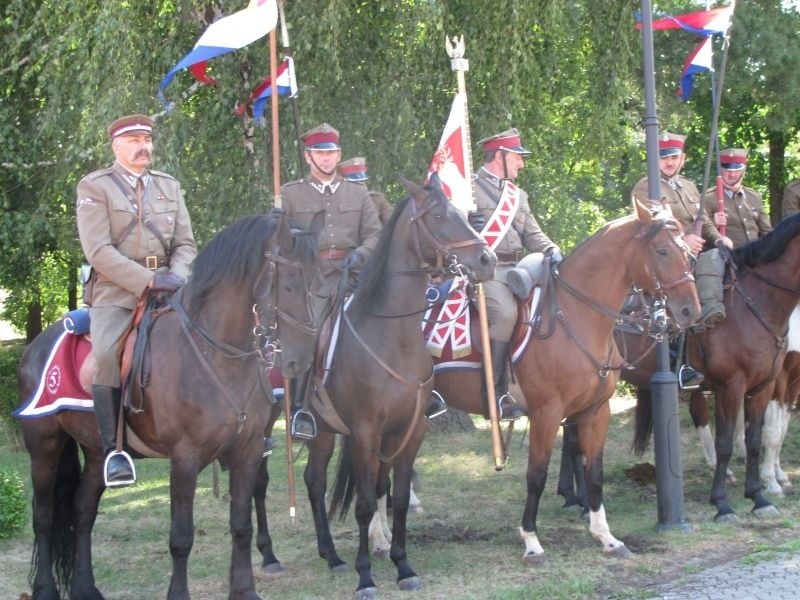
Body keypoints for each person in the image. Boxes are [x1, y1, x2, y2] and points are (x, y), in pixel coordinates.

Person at [76, 114, 197, 486]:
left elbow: (186, 244)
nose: (143, 146)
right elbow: (97, 251)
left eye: (146, 138)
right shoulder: (95, 187)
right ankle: (114, 450)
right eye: (133, 140)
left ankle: (225, 430)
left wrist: (177, 276)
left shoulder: (169, 185)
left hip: (173, 288)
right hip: (118, 291)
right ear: (116, 146)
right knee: (109, 355)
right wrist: (147, 280)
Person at [280, 123, 381, 439]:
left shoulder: (358, 192)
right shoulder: (290, 193)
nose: (327, 158)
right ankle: (300, 409)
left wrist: (361, 255)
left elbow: (376, 234)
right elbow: (281, 238)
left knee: (397, 317)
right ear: (308, 156)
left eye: (332, 152)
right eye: (321, 153)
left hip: (356, 274)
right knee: (308, 333)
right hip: (314, 278)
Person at [471, 128, 562, 421]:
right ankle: (494, 393)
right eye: (517, 157)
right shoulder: (466, 188)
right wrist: (464, 218)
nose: (522, 164)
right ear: (500, 156)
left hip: (519, 269)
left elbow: (532, 234)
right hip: (485, 272)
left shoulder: (517, 195)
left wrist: (552, 250)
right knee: (507, 315)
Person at [631, 132, 713, 389]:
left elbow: (704, 219)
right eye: (663, 157)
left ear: (683, 159)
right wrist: (685, 242)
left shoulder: (688, 185)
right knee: (684, 296)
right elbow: (658, 228)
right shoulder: (647, 187)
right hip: (664, 258)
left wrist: (720, 240)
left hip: (695, 253)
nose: (668, 161)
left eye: (673, 156)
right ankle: (684, 364)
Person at [703, 148, 771, 249]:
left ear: (744, 170)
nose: (732, 174)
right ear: (720, 171)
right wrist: (714, 222)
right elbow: (701, 234)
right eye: (727, 170)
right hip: (728, 258)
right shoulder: (708, 198)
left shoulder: (754, 196)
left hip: (756, 256)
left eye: (737, 170)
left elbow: (767, 231)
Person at [338, 156, 394, 225]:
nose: (361, 184)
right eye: (355, 182)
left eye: (362, 181)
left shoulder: (376, 198)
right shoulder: (336, 201)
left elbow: (392, 221)